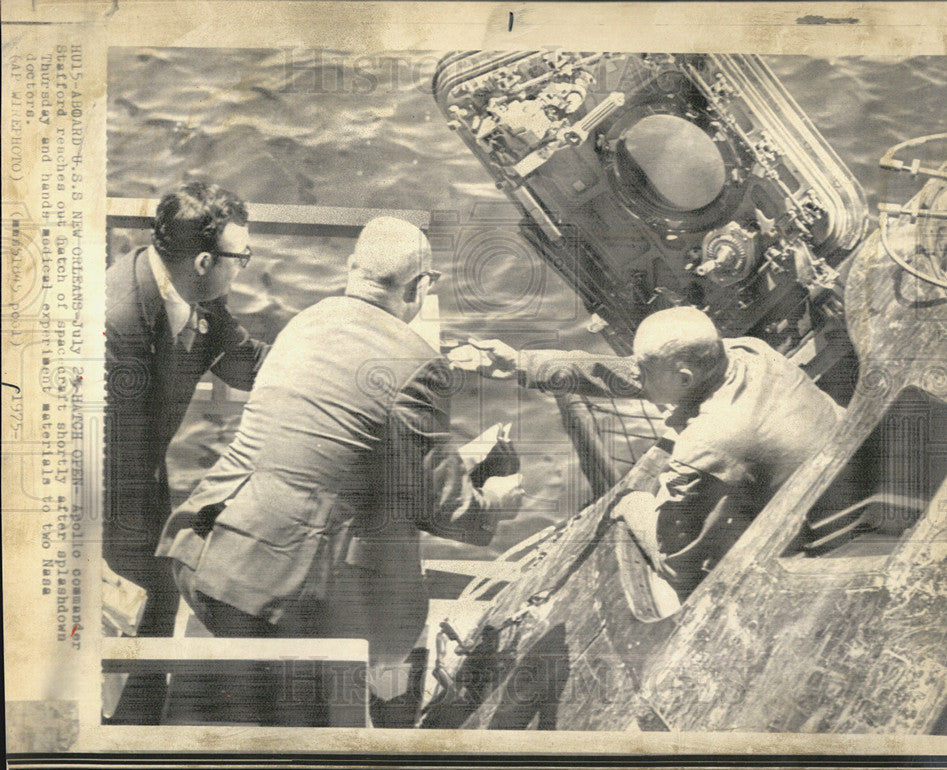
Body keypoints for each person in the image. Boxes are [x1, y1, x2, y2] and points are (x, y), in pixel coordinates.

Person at [157, 216, 524, 727]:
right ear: (421, 287)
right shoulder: (420, 362)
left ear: (353, 269)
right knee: (400, 605)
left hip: (207, 561)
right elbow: (456, 516)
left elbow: (344, 452)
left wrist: (449, 466)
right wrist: (502, 496)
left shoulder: (306, 320)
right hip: (288, 601)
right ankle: (383, 735)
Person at [450, 306, 843, 595]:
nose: (635, 374)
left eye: (644, 368)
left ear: (684, 376)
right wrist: (522, 364)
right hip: (842, 473)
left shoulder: (704, 446)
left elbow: (677, 564)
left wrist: (632, 505)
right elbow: (634, 375)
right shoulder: (748, 352)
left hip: (821, 545)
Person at [104, 182, 269, 723]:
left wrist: (327, 356)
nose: (243, 266)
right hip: (91, 504)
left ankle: (141, 734)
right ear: (204, 260)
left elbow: (248, 362)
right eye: (240, 257)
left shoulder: (199, 299)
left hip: (142, 489)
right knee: (110, 637)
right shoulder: (114, 321)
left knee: (153, 623)